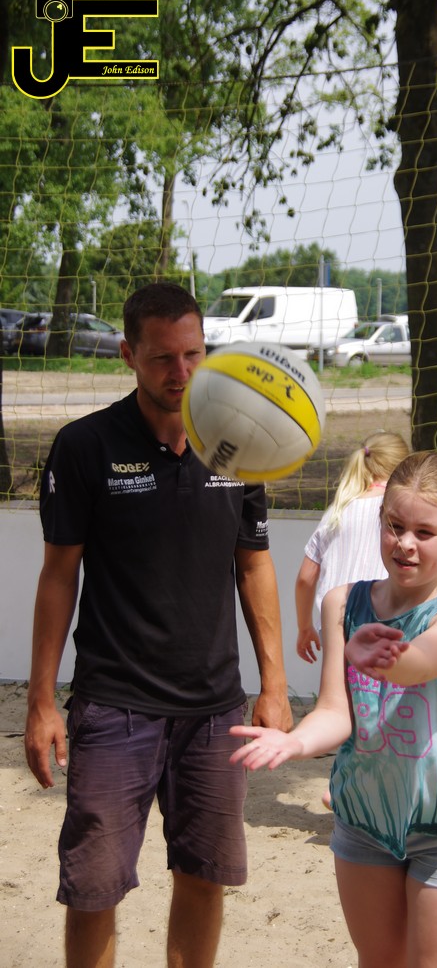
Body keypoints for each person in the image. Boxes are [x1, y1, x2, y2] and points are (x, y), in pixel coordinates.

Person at [23, 281, 293, 968]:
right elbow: (58, 576)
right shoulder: (85, 446)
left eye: (193, 354)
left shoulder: (235, 441)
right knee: (93, 888)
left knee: (204, 876)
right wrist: (41, 701)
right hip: (114, 706)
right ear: (128, 355)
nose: (181, 372)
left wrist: (274, 684)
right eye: (162, 357)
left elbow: (254, 564)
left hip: (214, 710)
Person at [231, 451, 437, 968]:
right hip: (364, 819)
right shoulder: (341, 602)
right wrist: (294, 742)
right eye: (394, 526)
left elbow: (419, 663)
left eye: (424, 532)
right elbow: (336, 713)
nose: (405, 543)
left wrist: (379, 656)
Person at [295, 431, 410, 664]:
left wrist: (305, 627)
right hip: (387, 621)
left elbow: (305, 578)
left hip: (335, 624)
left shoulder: (336, 511)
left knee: (338, 685)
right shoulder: (400, 508)